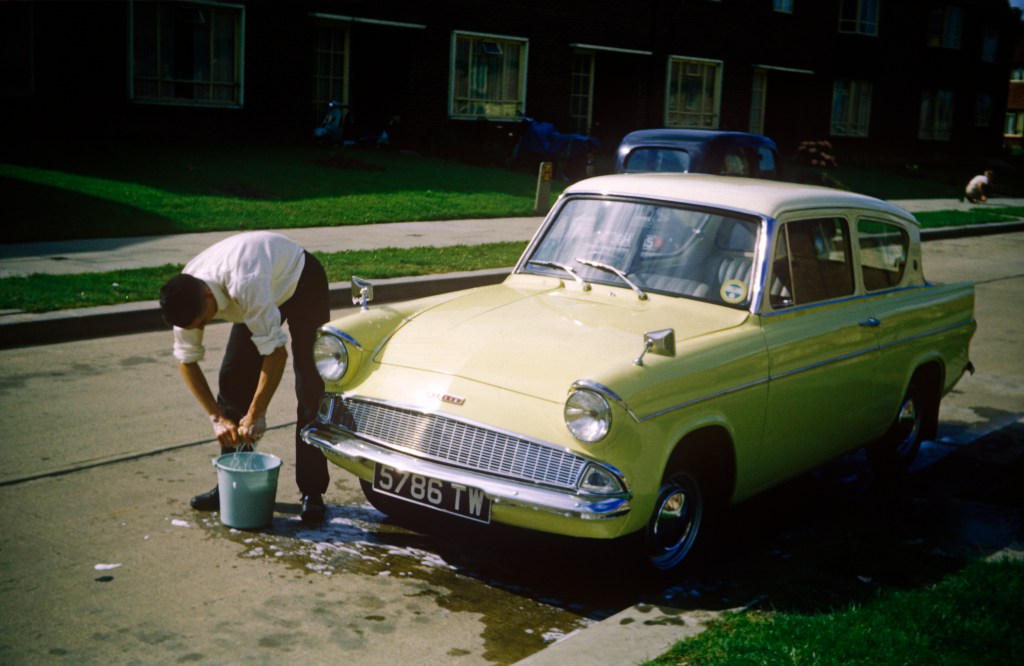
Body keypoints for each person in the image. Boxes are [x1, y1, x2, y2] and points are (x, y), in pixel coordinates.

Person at [159, 231, 330, 524]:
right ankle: (231, 483)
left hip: (301, 281)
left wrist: (256, 414)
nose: (203, 326)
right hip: (263, 285)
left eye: (205, 320)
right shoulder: (185, 291)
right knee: (233, 377)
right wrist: (217, 418)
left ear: (209, 296)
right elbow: (186, 361)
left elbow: (276, 354)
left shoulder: (244, 284)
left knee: (309, 388)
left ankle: (312, 493)